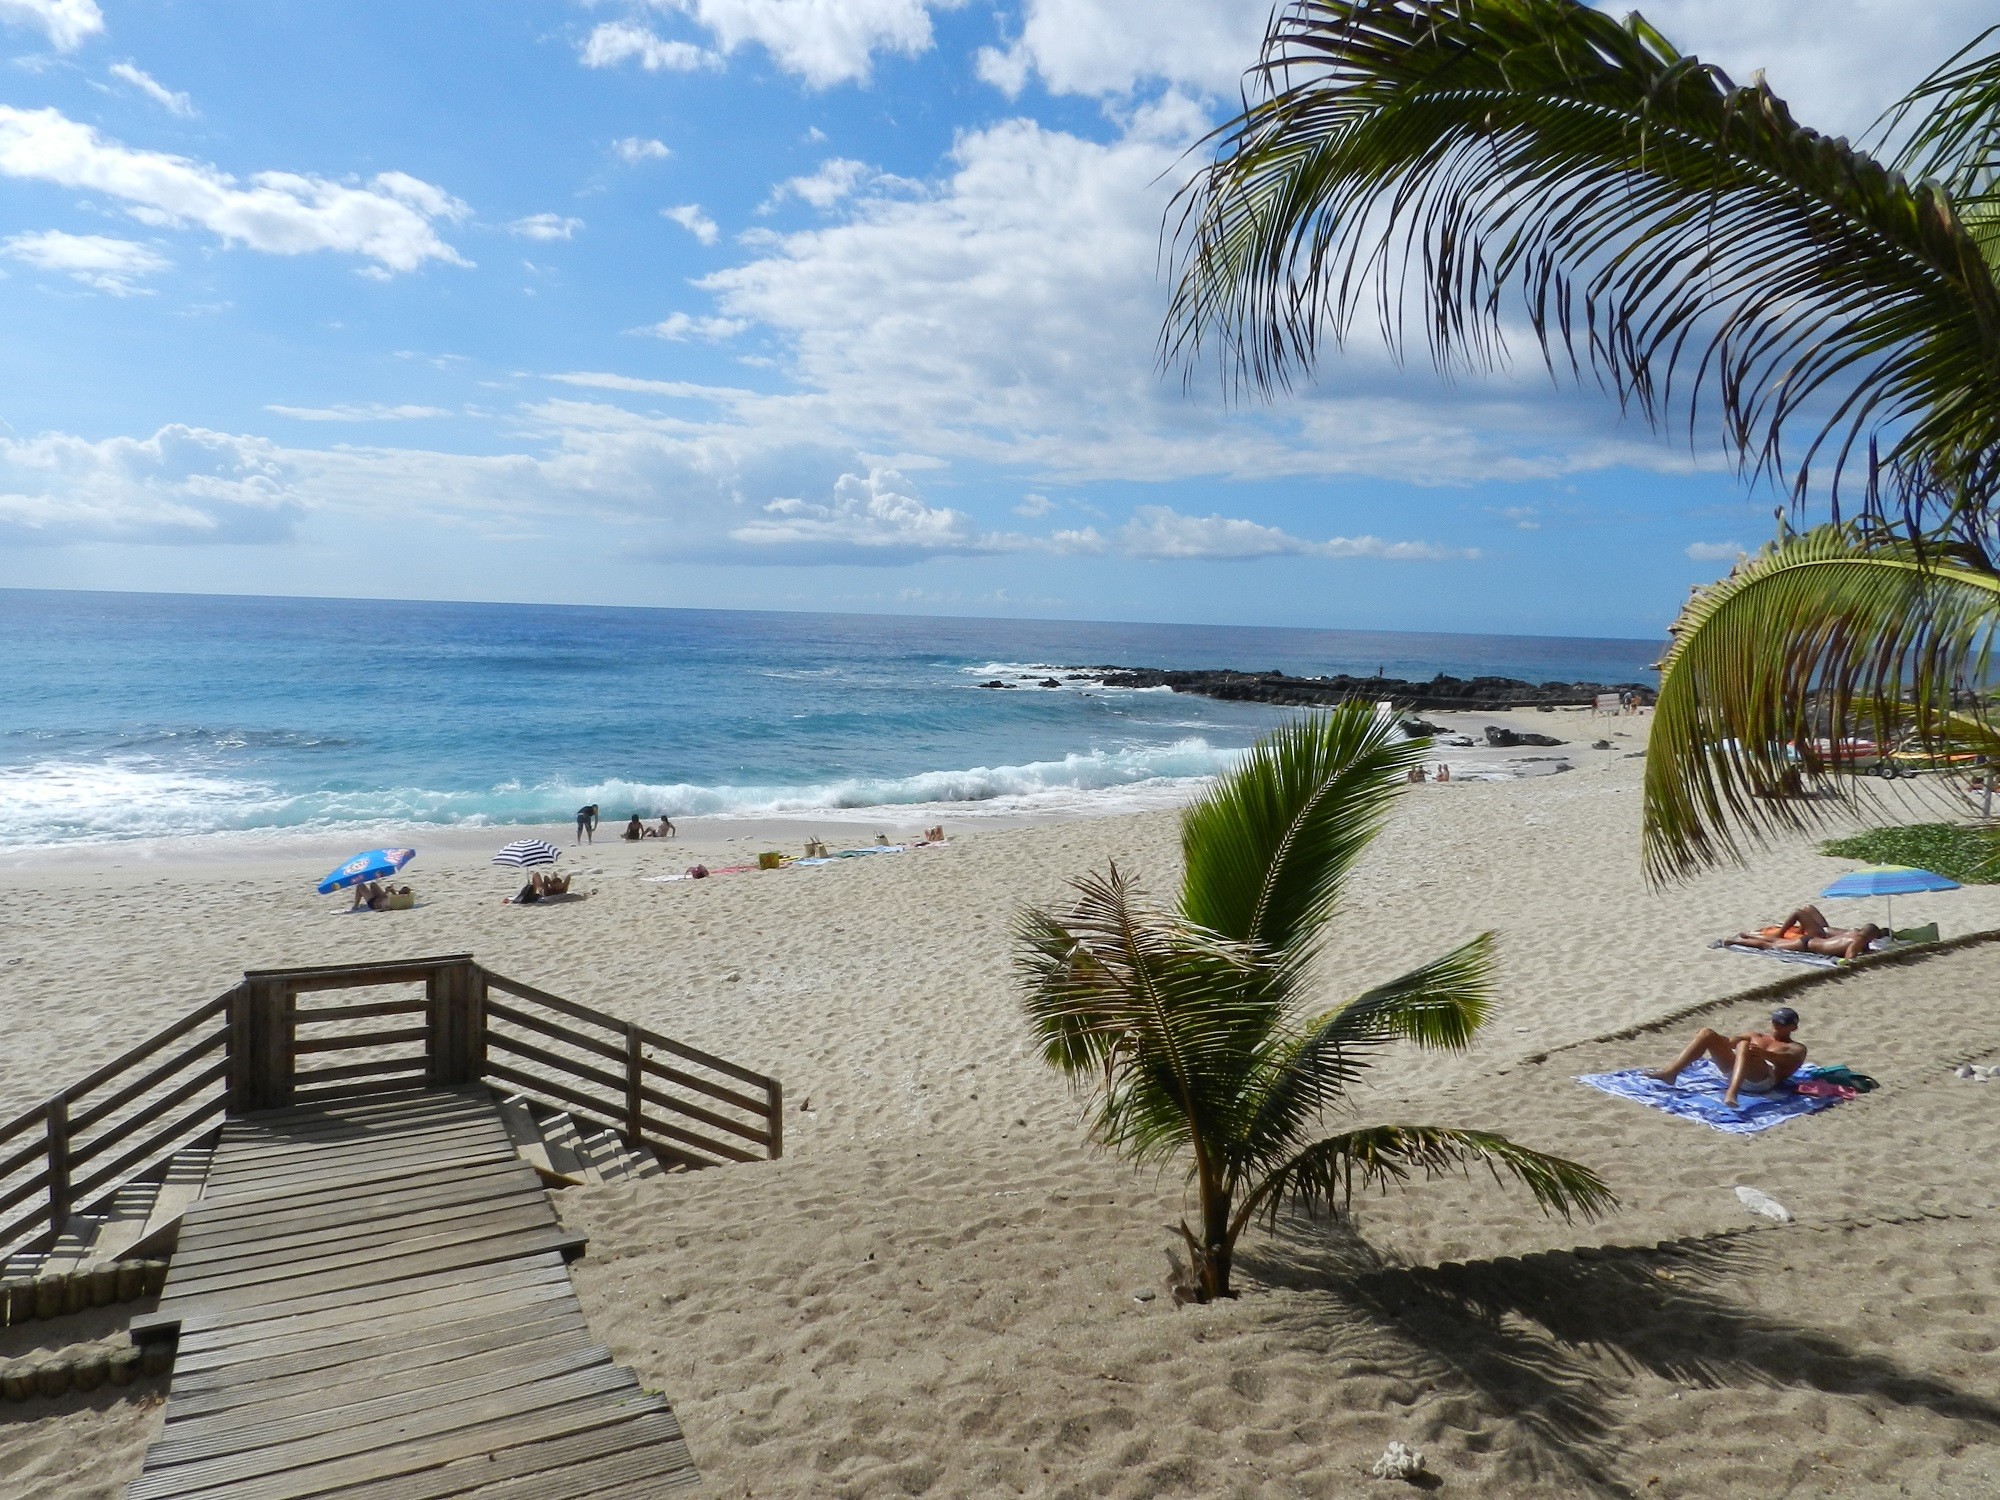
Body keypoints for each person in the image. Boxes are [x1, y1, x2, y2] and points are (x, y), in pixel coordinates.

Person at [1645, 1008, 1806, 1108]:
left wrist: (1765, 1055)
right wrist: (1719, 1040)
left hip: (1762, 1081)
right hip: (1735, 1070)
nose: (1776, 1025)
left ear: (1794, 1027)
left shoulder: (1795, 1047)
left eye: (1782, 1023)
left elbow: (1788, 1061)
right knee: (1706, 1033)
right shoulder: (1756, 1035)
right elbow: (1728, 1043)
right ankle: (1671, 1073)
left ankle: (1732, 1093)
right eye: (1775, 1021)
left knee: (1744, 1045)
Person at [1733, 905, 1885, 961]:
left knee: (1772, 943)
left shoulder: (1855, 935)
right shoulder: (1857, 941)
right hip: (1808, 944)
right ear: (1870, 937)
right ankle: (1735, 940)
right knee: (1769, 945)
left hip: (1812, 941)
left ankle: (1747, 935)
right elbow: (1848, 959)